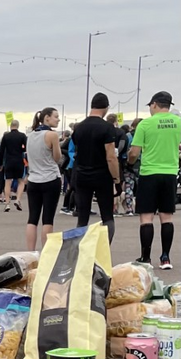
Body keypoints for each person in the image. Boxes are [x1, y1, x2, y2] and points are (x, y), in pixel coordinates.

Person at [129, 91, 181, 270]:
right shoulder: (179, 122)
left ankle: (145, 257)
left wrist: (130, 162)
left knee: (146, 217)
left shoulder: (145, 124)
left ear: (154, 104)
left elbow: (134, 152)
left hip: (149, 173)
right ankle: (166, 257)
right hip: (170, 173)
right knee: (166, 217)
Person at [71, 93, 119, 242]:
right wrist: (117, 179)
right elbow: (110, 157)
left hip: (82, 174)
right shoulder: (107, 128)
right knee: (107, 216)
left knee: (83, 215)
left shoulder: (78, 128)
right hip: (102, 175)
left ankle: (80, 250)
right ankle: (104, 250)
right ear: (106, 107)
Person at [24, 107, 63, 250]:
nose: (58, 119)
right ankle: (46, 254)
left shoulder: (30, 135)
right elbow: (57, 157)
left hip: (34, 180)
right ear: (47, 117)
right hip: (50, 179)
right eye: (56, 116)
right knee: (48, 219)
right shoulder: (52, 135)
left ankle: (30, 253)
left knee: (32, 219)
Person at [0, 120, 28, 211]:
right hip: (19, 160)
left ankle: (7, 203)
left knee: (8, 182)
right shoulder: (22, 136)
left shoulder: (6, 136)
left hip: (9, 161)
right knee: (21, 181)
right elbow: (26, 148)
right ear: (18, 126)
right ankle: (18, 200)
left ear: (11, 126)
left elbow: (1, 151)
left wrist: (0, 164)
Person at [121, 119, 140, 216]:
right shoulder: (145, 135)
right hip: (143, 164)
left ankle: (129, 208)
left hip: (129, 164)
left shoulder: (128, 136)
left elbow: (124, 150)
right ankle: (141, 207)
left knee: (129, 186)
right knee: (142, 187)